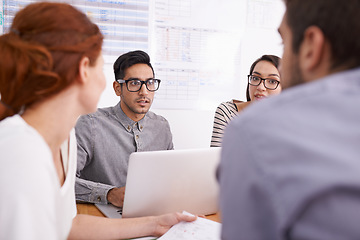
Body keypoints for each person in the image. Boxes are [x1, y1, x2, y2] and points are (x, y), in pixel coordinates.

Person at [0, 2, 195, 240]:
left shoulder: (65, 139)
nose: (143, 91)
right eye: (100, 67)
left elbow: (68, 227)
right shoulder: (19, 150)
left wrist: (156, 225)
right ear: (84, 70)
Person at [218, 0, 360, 239]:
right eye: (256, 78)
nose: (263, 87)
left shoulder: (253, 130)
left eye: (284, 42)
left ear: (311, 48)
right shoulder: (232, 113)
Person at [75, 50, 173, 207]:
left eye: (150, 83)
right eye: (134, 83)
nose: (144, 92)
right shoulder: (90, 124)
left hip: (152, 212)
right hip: (103, 217)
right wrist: (109, 194)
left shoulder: (161, 126)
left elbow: (170, 178)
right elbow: (62, 182)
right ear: (117, 88)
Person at [210, 55, 281, 147]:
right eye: (255, 78)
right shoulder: (228, 112)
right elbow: (216, 158)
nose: (260, 87)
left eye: (272, 81)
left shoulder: (289, 121)